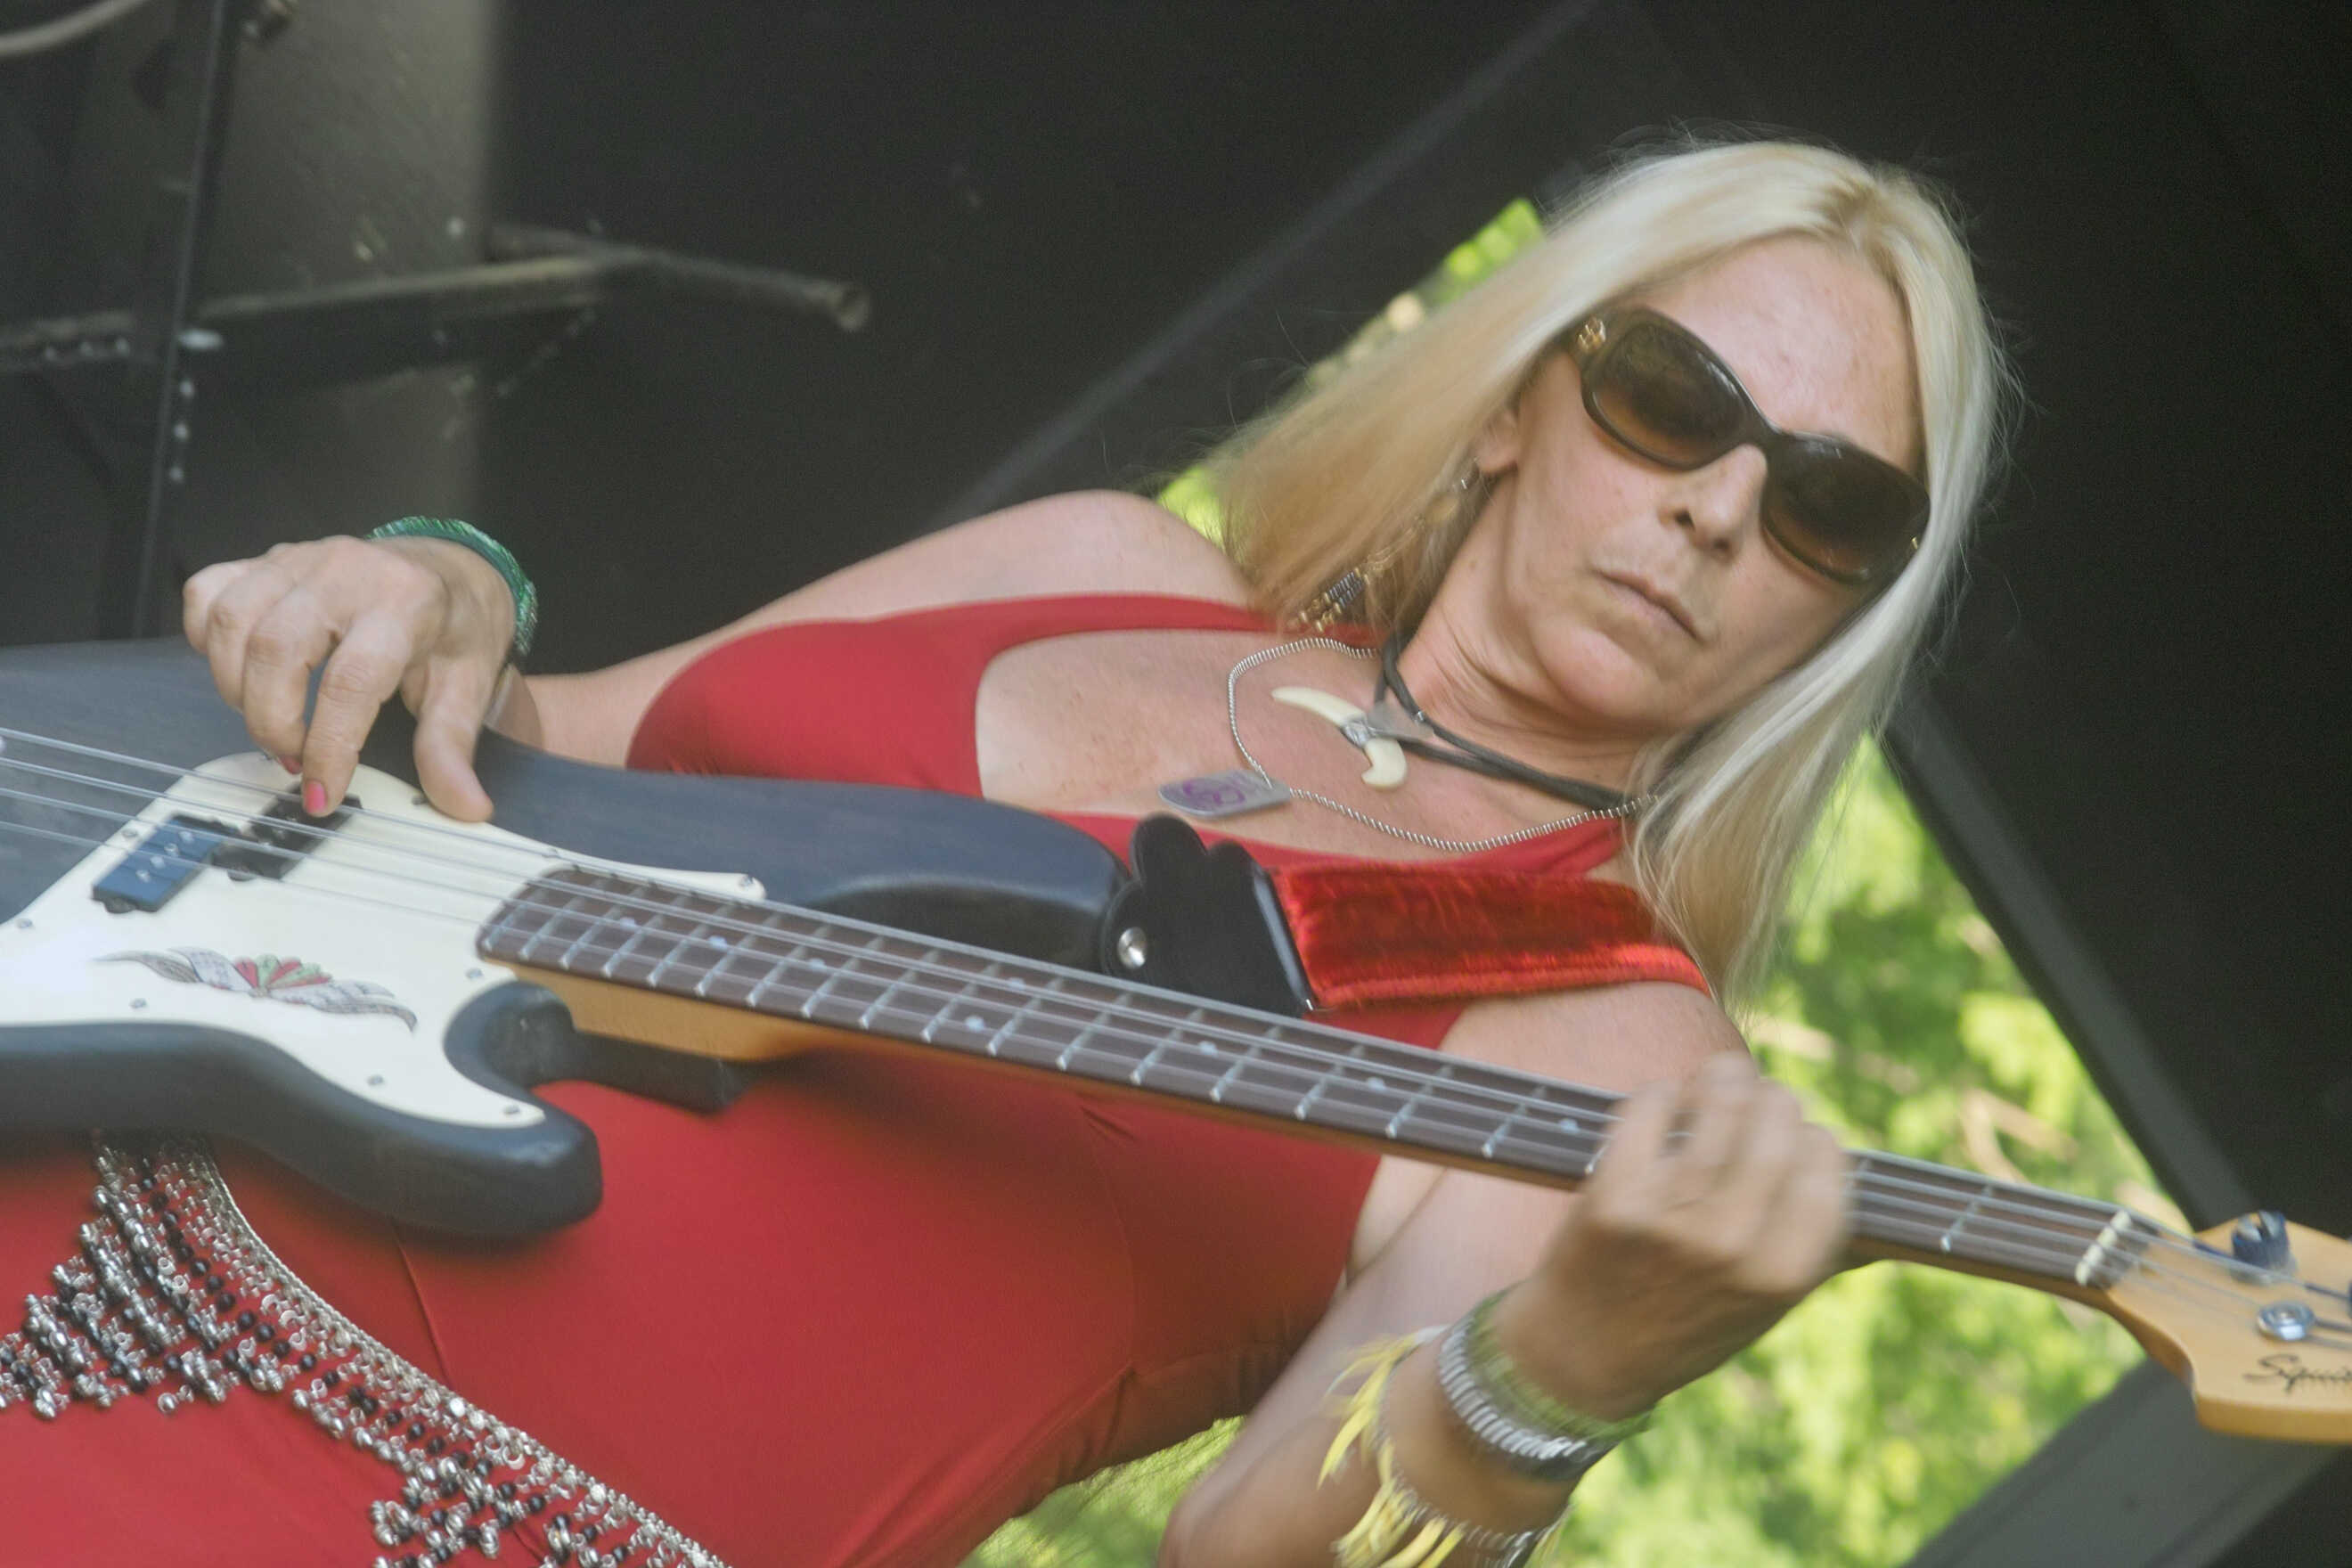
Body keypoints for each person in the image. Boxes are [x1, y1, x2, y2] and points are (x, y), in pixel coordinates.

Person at [0, 138, 2005, 1566]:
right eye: (1670, 400)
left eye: (1828, 506)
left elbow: (1248, 1557)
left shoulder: (1627, 1054)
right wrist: (443, 583)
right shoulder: (1102, 562)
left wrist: (1560, 1378)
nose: (1717, 508)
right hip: (86, 1169)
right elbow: (553, 737)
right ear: (1517, 403)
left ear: (1836, 613)